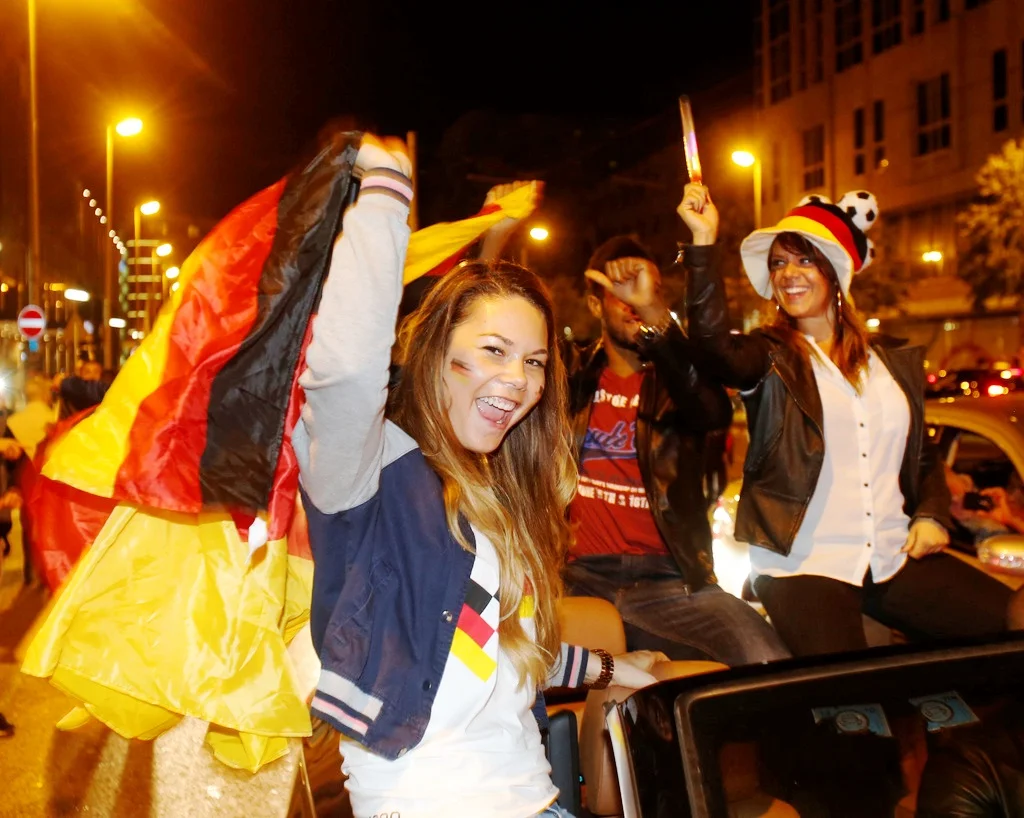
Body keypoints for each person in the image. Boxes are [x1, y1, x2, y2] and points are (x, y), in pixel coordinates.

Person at [293, 135, 659, 818]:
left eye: (534, 362)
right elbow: (344, 369)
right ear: (436, 353)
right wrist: (385, 194)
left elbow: (498, 645)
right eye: (493, 350)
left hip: (539, 801)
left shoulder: (498, 498)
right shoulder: (368, 474)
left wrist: (617, 668)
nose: (518, 380)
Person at [677, 184, 1014, 657]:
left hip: (892, 555)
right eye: (779, 263)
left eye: (805, 260)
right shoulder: (770, 355)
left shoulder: (891, 361)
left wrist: (932, 513)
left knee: (1014, 618)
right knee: (848, 691)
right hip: (802, 564)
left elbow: (922, 455)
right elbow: (712, 348)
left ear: (836, 272)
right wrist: (703, 243)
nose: (789, 273)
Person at [562, 235, 789, 667]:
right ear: (594, 304)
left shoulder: (678, 383)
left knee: (767, 659)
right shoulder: (569, 373)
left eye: (647, 290)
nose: (634, 302)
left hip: (668, 582)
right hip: (576, 576)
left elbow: (712, 411)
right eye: (621, 292)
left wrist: (655, 316)